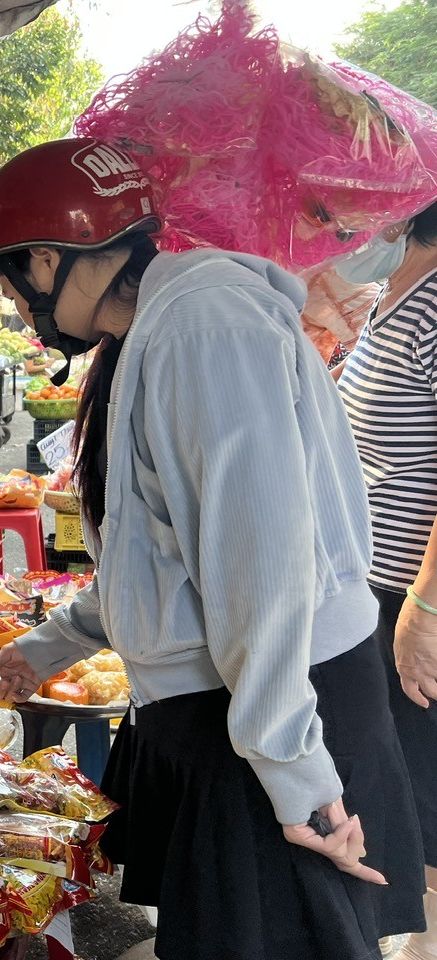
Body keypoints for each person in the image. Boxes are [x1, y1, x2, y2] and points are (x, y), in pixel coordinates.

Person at [0, 137, 425, 960]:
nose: (9, 304)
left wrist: (298, 777)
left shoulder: (202, 326)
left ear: (45, 260)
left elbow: (260, 568)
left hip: (274, 710)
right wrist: (55, 641)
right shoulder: (162, 329)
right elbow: (164, 550)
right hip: (244, 712)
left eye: (5, 280)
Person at [336, 201, 437, 960]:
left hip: (413, 594)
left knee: (425, 800)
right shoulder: (390, 296)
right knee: (399, 791)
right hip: (375, 589)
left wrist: (425, 608)